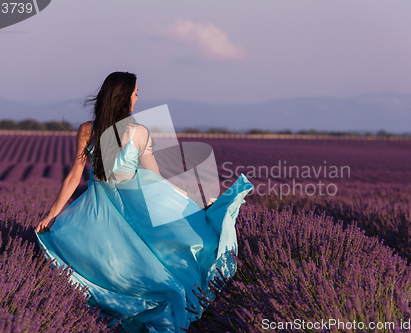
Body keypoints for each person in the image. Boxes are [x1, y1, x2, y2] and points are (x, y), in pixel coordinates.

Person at [35, 71, 254, 332]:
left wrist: (53, 215)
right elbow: (153, 178)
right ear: (124, 96)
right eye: (135, 93)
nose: (137, 98)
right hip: (124, 207)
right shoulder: (133, 132)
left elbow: (76, 177)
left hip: (102, 210)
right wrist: (193, 201)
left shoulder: (91, 130)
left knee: (112, 267)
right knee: (148, 262)